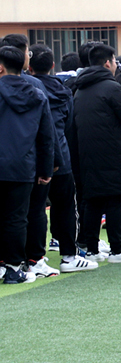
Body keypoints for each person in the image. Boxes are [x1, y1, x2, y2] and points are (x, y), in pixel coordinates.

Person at [70, 44, 121, 263]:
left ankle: (92, 249)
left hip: (87, 153)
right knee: (117, 199)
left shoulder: (80, 89)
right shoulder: (111, 87)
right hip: (114, 152)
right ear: (108, 63)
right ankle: (117, 250)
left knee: (93, 201)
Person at [25, 46, 91, 276]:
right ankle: (68, 255)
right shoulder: (63, 91)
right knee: (65, 207)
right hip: (60, 154)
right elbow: (70, 125)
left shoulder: (27, 87)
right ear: (53, 66)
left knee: (34, 209)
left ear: (29, 66)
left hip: (33, 156)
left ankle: (32, 257)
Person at [0, 45, 54, 285]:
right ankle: (14, 267)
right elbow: (46, 136)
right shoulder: (37, 94)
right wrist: (46, 169)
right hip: (23, 165)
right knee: (17, 218)